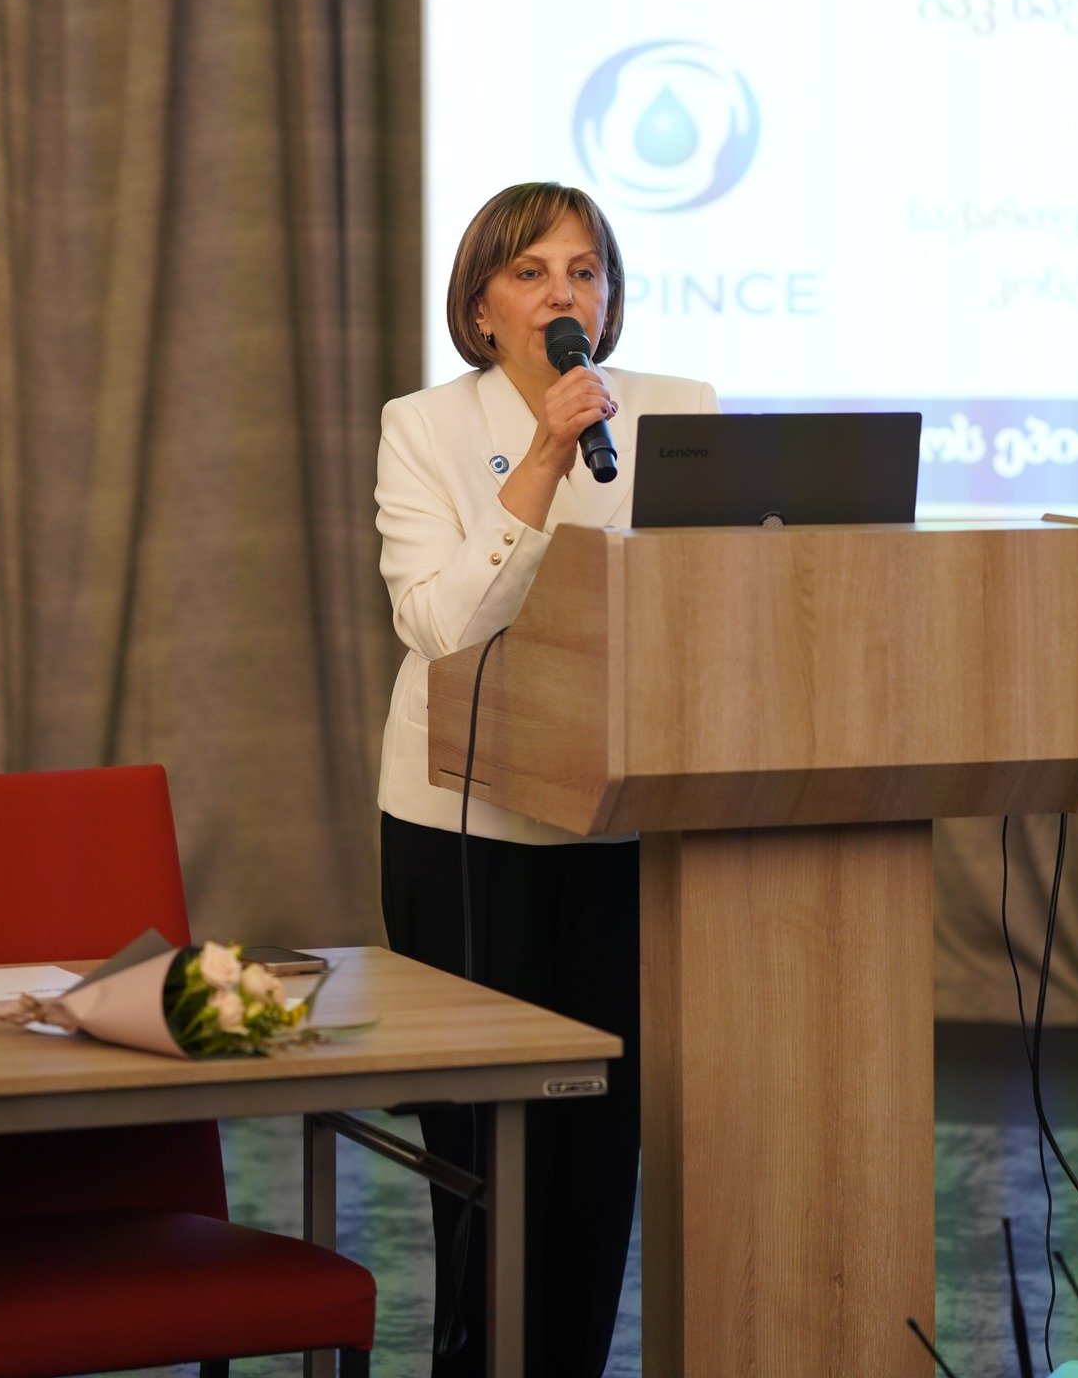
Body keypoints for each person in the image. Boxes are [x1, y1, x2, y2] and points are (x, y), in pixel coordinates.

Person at [376, 181, 718, 1378]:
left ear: (609, 300)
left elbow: (717, 598)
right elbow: (442, 623)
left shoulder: (679, 411)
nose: (562, 293)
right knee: (486, 1152)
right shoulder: (424, 425)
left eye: (584, 270)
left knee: (598, 1154)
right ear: (482, 309)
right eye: (530, 272)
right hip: (465, 825)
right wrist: (543, 455)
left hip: (623, 822)